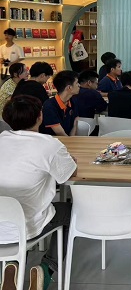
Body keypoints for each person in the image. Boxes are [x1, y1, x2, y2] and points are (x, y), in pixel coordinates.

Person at [0, 95, 77, 290]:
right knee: (70, 212)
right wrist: (71, 161)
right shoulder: (49, 144)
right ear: (40, 117)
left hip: (2, 222)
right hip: (26, 226)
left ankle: (12, 266)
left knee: (17, 212)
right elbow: (68, 174)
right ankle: (46, 268)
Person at [40, 70, 80, 137]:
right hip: (52, 140)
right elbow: (59, 132)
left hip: (68, 139)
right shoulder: (49, 106)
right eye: (77, 83)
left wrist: (72, 138)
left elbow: (75, 122)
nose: (79, 85)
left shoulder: (72, 101)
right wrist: (70, 141)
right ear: (69, 88)